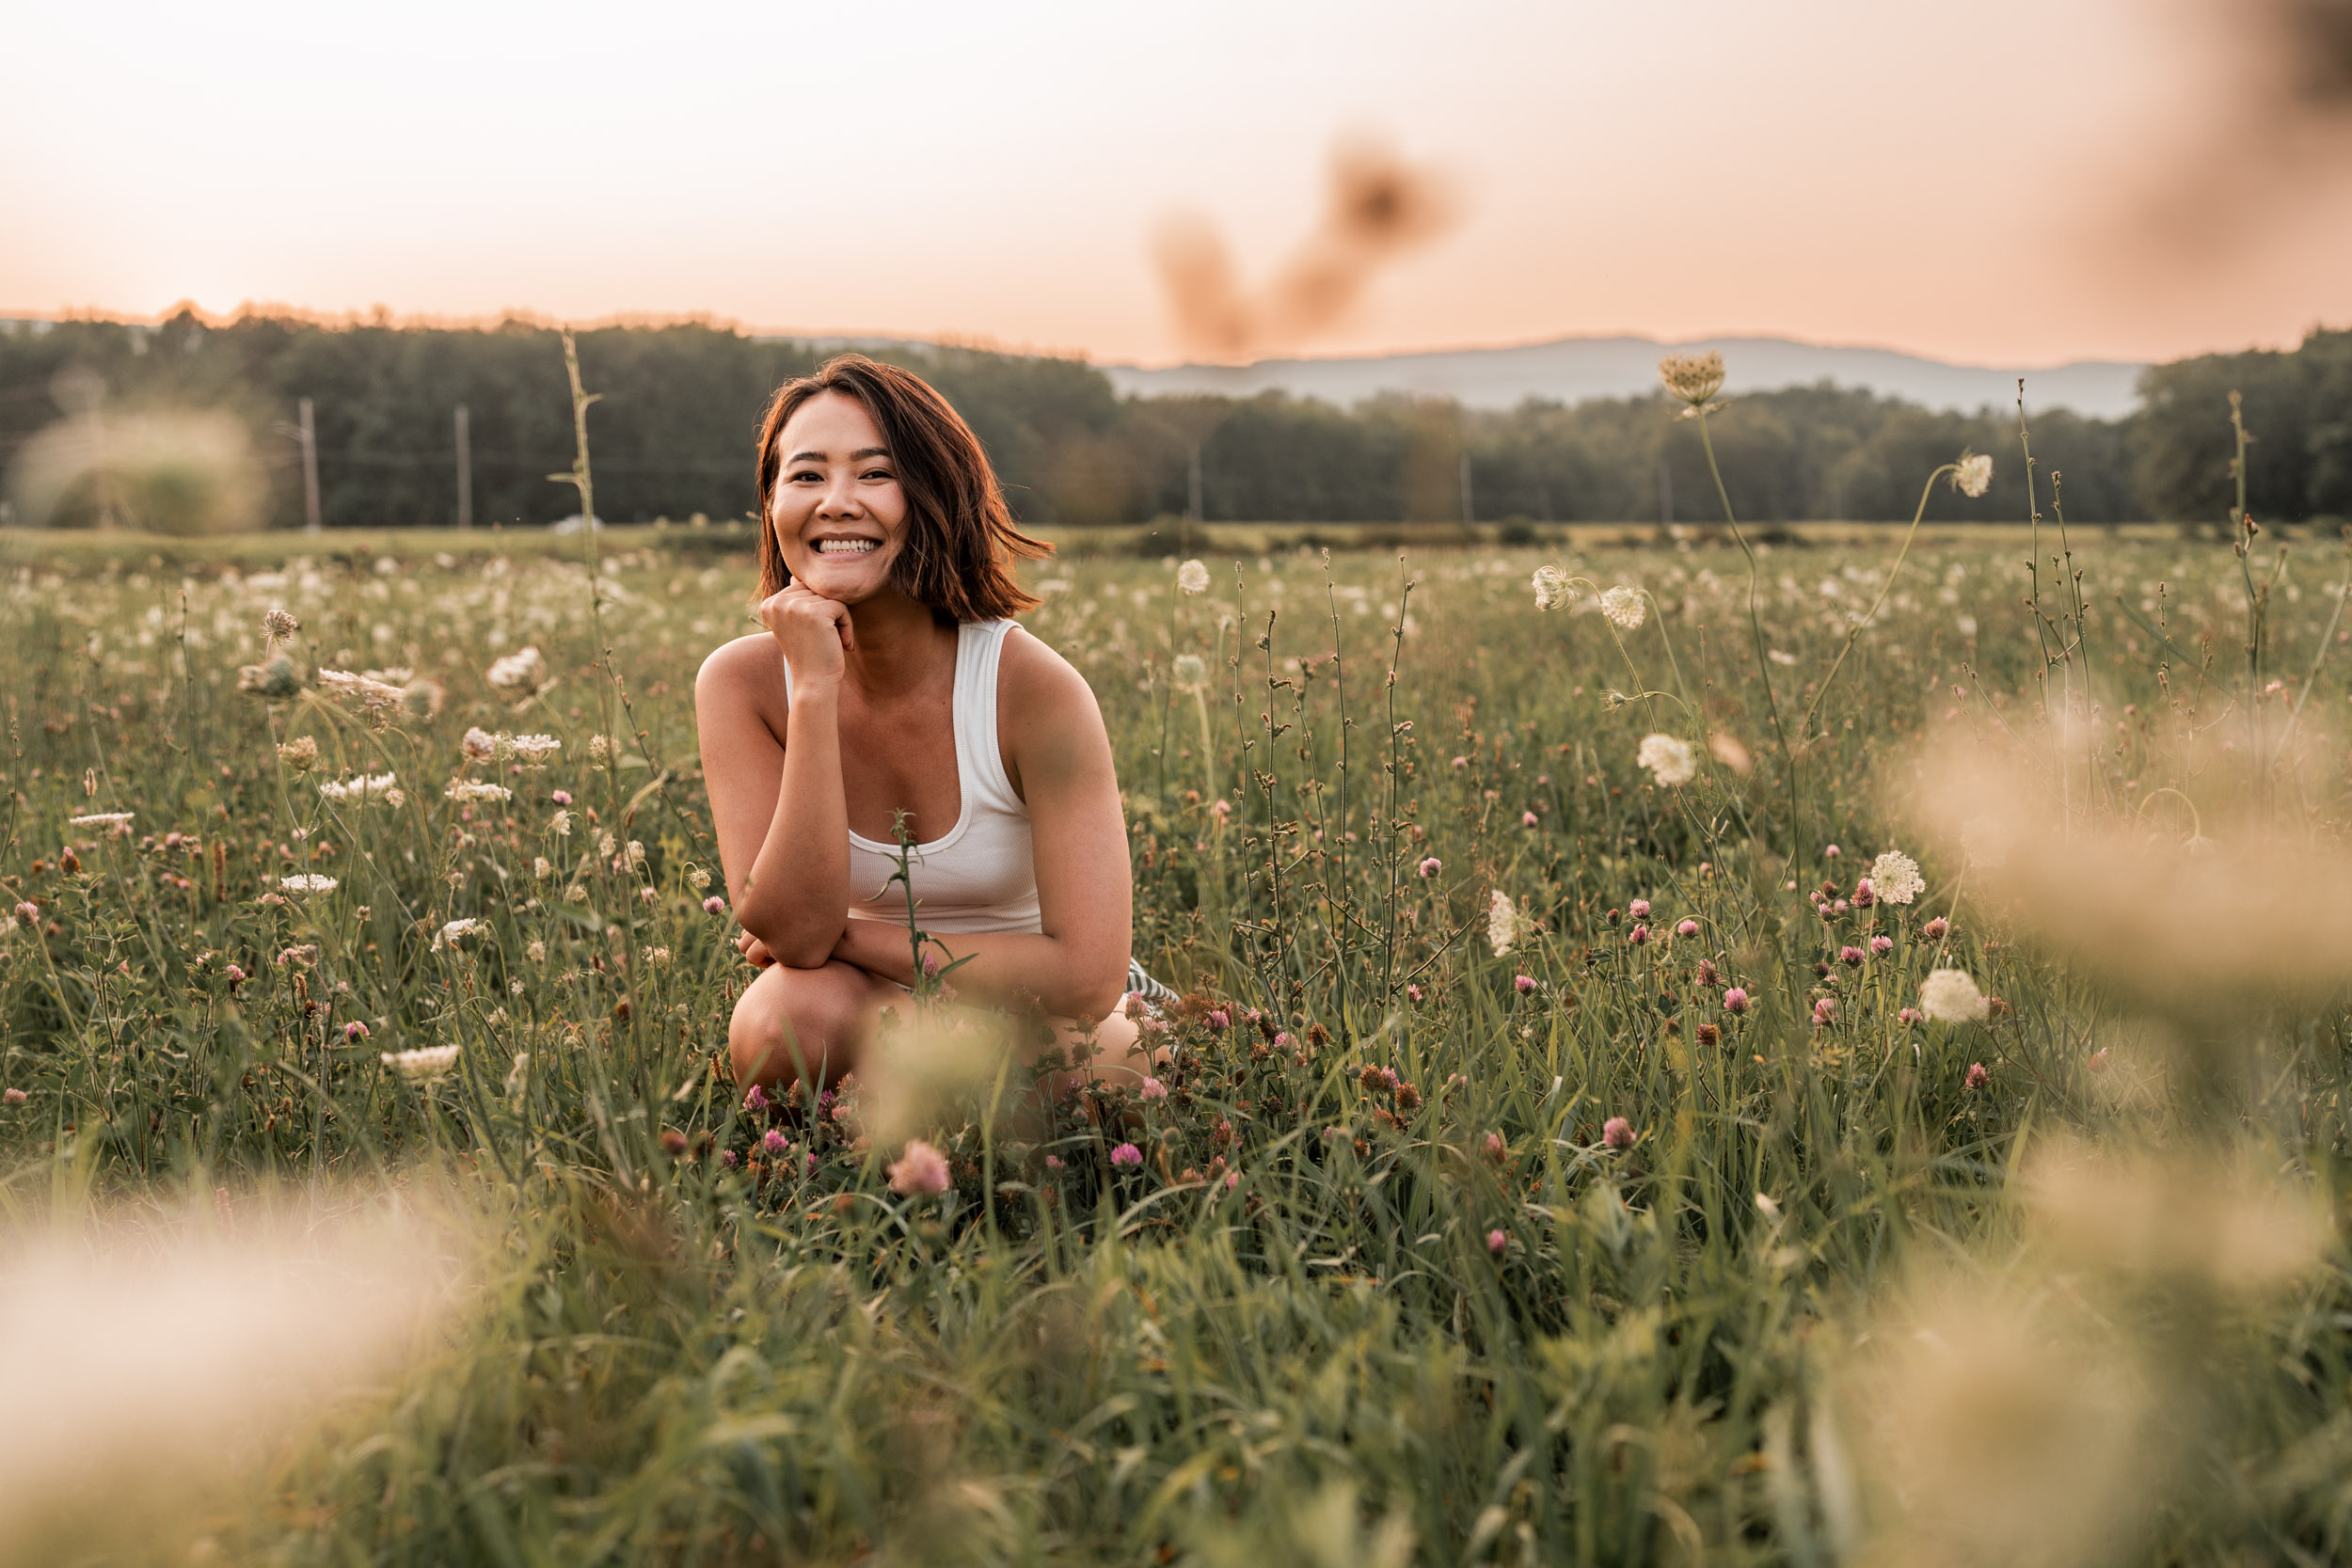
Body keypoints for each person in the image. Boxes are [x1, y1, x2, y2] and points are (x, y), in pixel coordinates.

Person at [697, 354, 1161, 1096]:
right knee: (778, 1025)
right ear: (772, 504)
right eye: (807, 475)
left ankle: (917, 1100)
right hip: (866, 1000)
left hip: (1033, 1005)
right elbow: (790, 934)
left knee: (1104, 1072)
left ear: (933, 496)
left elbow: (1085, 976)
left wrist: (848, 937)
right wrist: (815, 689)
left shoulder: (1033, 688)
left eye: (874, 474)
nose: (837, 502)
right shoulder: (742, 684)